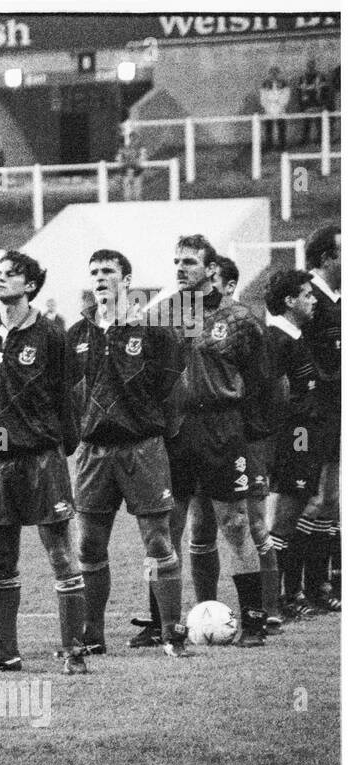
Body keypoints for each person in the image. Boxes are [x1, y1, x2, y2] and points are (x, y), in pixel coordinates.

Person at [147, 235, 270, 649]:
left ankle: (253, 620)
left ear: (211, 269)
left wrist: (250, 431)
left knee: (234, 525)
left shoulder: (239, 318)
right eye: (176, 261)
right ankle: (161, 624)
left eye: (190, 263)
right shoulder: (162, 314)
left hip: (222, 430)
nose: (180, 268)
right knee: (167, 528)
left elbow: (262, 380)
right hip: (176, 432)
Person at [68, 249, 186, 656]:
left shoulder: (153, 331)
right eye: (95, 271)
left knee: (157, 539)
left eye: (109, 272)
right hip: (93, 453)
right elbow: (68, 395)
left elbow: (173, 391)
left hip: (142, 448)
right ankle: (92, 634)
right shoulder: (77, 334)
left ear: (127, 280)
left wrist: (156, 433)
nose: (100, 278)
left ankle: (172, 632)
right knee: (88, 545)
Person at [0, 253, 86, 674]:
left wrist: (59, 445)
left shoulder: (51, 336)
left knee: (60, 553)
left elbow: (70, 397)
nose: (1, 278)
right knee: (1, 557)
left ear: (30, 284)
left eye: (11, 273)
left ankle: (74, 650)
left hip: (42, 459)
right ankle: (5, 650)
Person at [214, 256, 283, 630]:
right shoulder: (192, 320)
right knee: (205, 527)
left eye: (217, 280)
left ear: (229, 286)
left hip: (248, 440)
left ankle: (270, 609)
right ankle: (208, 607)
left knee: (255, 525)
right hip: (212, 438)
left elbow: (271, 386)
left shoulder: (246, 326)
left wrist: (259, 433)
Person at [275, 225, 341, 614]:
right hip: (307, 419)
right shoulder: (306, 299)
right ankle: (290, 590)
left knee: (328, 500)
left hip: (332, 414)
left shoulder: (335, 298)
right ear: (327, 259)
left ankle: (316, 584)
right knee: (304, 499)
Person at [263, 269, 328, 619]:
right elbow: (279, 399)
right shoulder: (277, 340)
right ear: (289, 301)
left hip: (305, 435)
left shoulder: (295, 336)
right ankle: (276, 601)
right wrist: (295, 439)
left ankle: (291, 593)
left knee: (303, 508)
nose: (313, 299)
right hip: (294, 438)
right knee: (286, 516)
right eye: (306, 294)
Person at [296, 58, 330, 146]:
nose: (311, 67)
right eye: (309, 65)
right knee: (306, 124)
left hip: (318, 103)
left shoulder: (321, 76)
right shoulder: (303, 77)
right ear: (307, 66)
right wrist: (301, 104)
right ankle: (305, 141)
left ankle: (321, 140)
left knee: (320, 124)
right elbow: (299, 92)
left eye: (312, 65)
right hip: (307, 104)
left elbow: (325, 90)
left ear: (315, 66)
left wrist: (324, 103)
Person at [260, 66, 291, 152]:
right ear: (269, 74)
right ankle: (269, 145)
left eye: (275, 73)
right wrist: (266, 107)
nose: (274, 75)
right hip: (269, 108)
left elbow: (286, 95)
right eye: (272, 73)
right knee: (268, 128)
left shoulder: (284, 83)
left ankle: (282, 145)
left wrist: (281, 105)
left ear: (278, 74)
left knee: (281, 128)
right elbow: (263, 97)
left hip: (280, 108)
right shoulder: (265, 84)